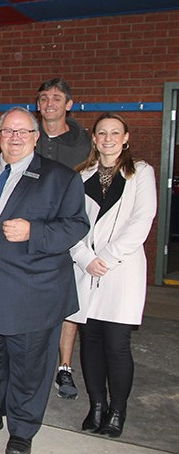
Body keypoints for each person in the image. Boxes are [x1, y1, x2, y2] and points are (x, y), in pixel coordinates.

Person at [0, 107, 89, 454]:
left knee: (29, 367)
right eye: (7, 131)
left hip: (31, 292)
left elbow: (77, 226)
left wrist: (35, 232)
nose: (14, 137)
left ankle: (23, 430)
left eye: (23, 131)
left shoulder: (60, 178)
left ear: (35, 137)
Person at [68, 113, 157, 437]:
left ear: (126, 137)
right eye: (102, 133)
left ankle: (117, 411)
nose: (108, 138)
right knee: (89, 342)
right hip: (87, 269)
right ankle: (96, 407)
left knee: (116, 344)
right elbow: (73, 223)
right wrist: (83, 257)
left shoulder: (140, 173)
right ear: (94, 139)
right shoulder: (81, 176)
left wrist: (105, 256)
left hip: (121, 270)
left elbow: (142, 220)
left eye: (114, 133)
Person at [35, 77, 92, 400]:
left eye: (56, 98)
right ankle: (36, 361)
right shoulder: (27, 134)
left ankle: (65, 367)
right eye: (44, 98)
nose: (50, 103)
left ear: (68, 104)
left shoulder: (84, 142)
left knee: (69, 301)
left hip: (70, 231)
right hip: (31, 231)